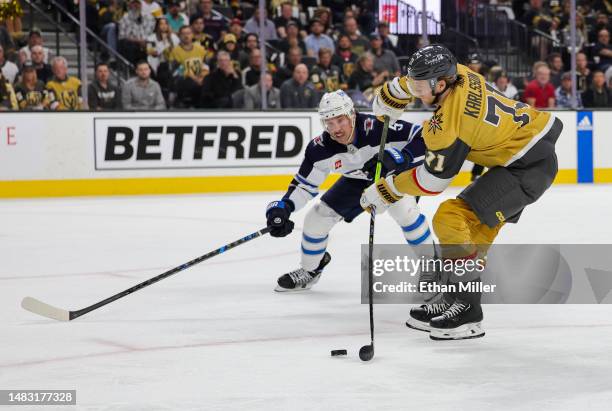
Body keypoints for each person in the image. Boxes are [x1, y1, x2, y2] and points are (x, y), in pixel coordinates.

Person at [362, 44, 562, 340]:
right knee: (472, 237)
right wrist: (391, 94)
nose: (416, 91)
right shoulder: (461, 74)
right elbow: (415, 79)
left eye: (420, 87)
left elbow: (433, 181)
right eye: (415, 84)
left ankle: (469, 312)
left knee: (450, 217)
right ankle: (456, 300)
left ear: (440, 85)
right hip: (524, 157)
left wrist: (387, 189)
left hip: (527, 167)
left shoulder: (451, 124)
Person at [266, 90, 432, 291]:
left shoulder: (379, 126)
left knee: (405, 213)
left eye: (340, 120)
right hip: (356, 181)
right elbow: (303, 186)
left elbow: (425, 137)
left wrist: (400, 157)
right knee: (316, 219)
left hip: (392, 178)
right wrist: (283, 208)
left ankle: (433, 268)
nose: (336, 129)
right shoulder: (319, 149)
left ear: (352, 114)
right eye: (329, 122)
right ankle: (310, 271)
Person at [168, 25, 209, 107]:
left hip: (200, 78)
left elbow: (205, 66)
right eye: (183, 34)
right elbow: (175, 72)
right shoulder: (175, 51)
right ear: (179, 36)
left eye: (188, 33)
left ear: (192, 35)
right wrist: (194, 78)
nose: (186, 36)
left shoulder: (200, 49)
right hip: (184, 80)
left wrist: (201, 77)